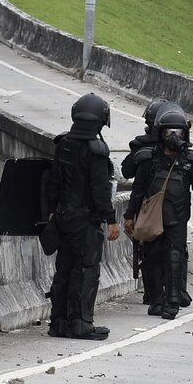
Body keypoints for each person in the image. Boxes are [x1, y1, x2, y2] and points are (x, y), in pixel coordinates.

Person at [124, 107, 193, 320]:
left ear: (186, 134)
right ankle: (156, 300)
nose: (173, 138)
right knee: (152, 258)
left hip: (178, 220)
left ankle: (172, 301)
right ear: (160, 134)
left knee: (174, 257)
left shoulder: (190, 162)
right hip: (152, 220)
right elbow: (138, 191)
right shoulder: (149, 161)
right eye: (168, 133)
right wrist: (129, 216)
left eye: (178, 133)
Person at [42, 93, 120, 340]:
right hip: (86, 220)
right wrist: (111, 220)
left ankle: (59, 322)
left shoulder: (63, 144)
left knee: (64, 269)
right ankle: (80, 322)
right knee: (86, 270)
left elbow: (52, 181)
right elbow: (99, 189)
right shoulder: (95, 150)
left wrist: (52, 211)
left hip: (63, 217)